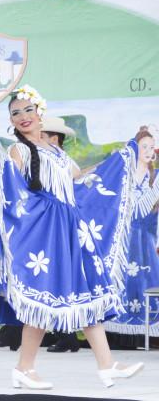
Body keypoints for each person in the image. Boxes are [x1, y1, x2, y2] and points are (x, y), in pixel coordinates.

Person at [0, 85, 143, 389]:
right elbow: (13, 190)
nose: (23, 116)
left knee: (87, 294)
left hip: (70, 230)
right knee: (43, 299)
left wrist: (120, 158)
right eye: (16, 113)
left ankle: (106, 365)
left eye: (28, 110)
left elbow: (80, 178)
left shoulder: (56, 152)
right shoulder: (19, 151)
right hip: (46, 234)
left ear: (40, 112)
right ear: (11, 120)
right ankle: (24, 368)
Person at [104, 127, 159, 341]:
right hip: (124, 239)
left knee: (147, 279)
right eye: (143, 146)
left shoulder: (155, 178)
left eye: (151, 147)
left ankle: (148, 334)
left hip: (147, 241)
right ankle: (119, 335)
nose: (148, 151)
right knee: (122, 280)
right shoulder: (123, 178)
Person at [40, 117, 81, 353]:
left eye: (42, 136)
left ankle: (65, 334)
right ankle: (65, 334)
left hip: (56, 224)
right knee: (60, 276)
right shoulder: (63, 160)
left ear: (54, 139)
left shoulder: (57, 160)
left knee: (58, 275)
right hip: (60, 223)